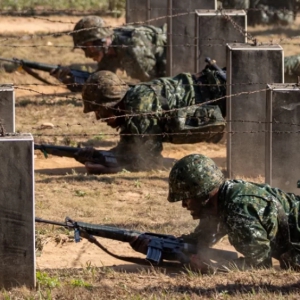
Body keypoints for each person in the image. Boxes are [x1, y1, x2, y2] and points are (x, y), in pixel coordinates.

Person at [161, 153, 300, 272]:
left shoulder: (239, 210)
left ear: (202, 194)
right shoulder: (221, 201)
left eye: (186, 198)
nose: (184, 205)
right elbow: (201, 239)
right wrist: (158, 244)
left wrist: (211, 267)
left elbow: (259, 265)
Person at [77, 66, 226, 174]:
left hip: (226, 94)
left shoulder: (139, 107)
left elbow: (149, 161)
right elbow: (129, 149)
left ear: (113, 105)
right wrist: (100, 156)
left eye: (99, 111)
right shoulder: (130, 105)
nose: (98, 118)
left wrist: (110, 169)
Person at [51, 15, 167, 90]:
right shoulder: (108, 49)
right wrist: (72, 79)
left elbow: (154, 86)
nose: (87, 55)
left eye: (85, 48)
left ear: (98, 42)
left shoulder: (131, 48)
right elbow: (100, 82)